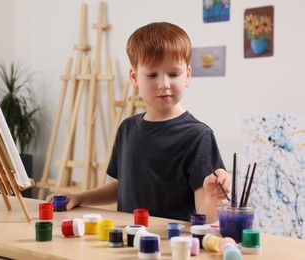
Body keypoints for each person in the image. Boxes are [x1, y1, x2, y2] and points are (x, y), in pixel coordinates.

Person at [46, 22, 231, 223]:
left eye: (174, 74)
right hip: (127, 240)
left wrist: (214, 195)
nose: (164, 84)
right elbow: (123, 186)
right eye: (152, 75)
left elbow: (206, 217)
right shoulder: (127, 128)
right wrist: (81, 197)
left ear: (187, 75)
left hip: (169, 247)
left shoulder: (198, 136)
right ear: (134, 77)